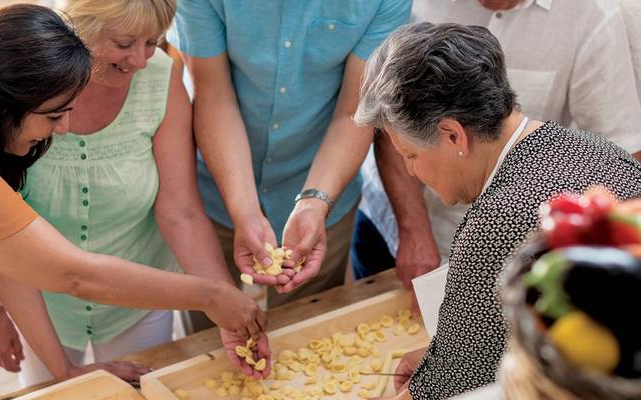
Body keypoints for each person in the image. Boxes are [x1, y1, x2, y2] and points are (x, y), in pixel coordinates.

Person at [0, 5, 266, 399]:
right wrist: (212, 296)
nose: (63, 129)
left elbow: (5, 254)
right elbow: (73, 275)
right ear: (2, 102)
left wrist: (65, 371)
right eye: (53, 115)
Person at [354, 22, 641, 399]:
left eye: (410, 155)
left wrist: (432, 376)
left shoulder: (496, 222)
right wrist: (442, 356)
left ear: (453, 135)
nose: (411, 171)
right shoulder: (595, 149)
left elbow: (446, 388)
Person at [354, 0, 641, 290]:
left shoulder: (593, 18)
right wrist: (412, 229)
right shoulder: (414, 5)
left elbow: (620, 167)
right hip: (391, 220)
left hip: (500, 249)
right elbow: (389, 117)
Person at [170, 0, 412, 314]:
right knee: (210, 332)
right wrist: (245, 211)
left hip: (323, 184)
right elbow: (214, 95)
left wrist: (314, 203)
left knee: (305, 333)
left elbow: (354, 111)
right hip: (213, 190)